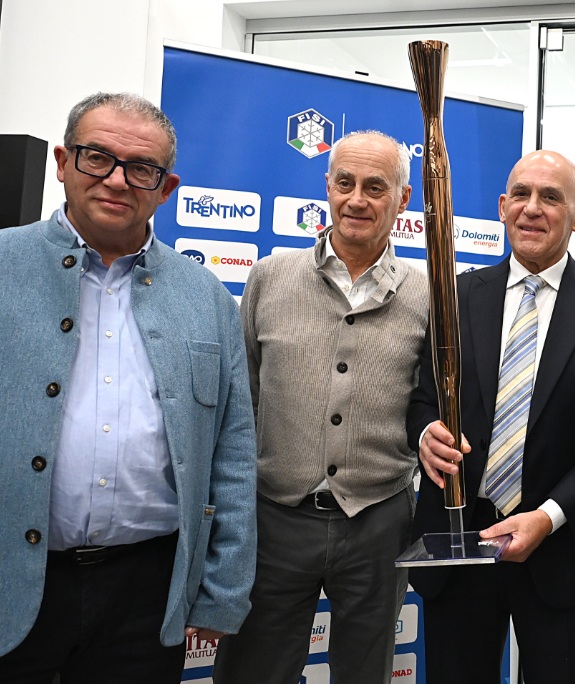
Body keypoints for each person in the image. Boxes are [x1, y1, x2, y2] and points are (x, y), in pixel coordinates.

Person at [0, 92, 256, 682]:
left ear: (166, 188)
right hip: (13, 578)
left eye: (142, 168)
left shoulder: (207, 297)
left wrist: (223, 590)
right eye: (97, 157)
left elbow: (234, 452)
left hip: (147, 594)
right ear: (62, 162)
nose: (116, 180)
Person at [407, 149, 575, 683]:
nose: (532, 208)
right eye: (521, 195)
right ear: (502, 207)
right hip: (460, 545)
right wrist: (423, 435)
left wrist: (549, 516)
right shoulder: (455, 296)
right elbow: (422, 399)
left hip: (564, 548)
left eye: (550, 197)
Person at [212, 130, 428, 684]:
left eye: (375, 187)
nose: (356, 199)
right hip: (274, 518)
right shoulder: (269, 276)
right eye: (344, 183)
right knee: (253, 671)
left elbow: (427, 408)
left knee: (365, 673)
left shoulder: (428, 297)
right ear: (327, 187)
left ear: (403, 199)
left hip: (379, 521)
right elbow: (242, 402)